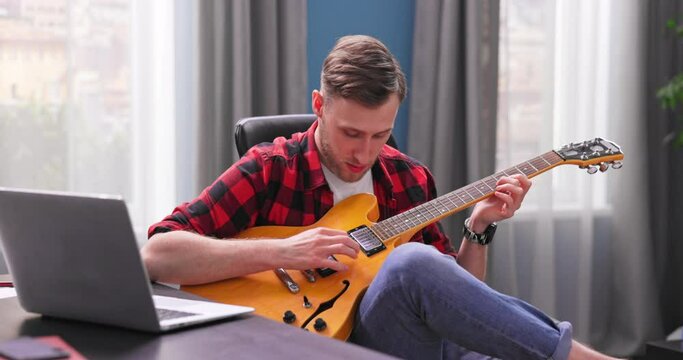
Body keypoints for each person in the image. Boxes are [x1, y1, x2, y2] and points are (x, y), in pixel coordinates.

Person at [142, 35, 619, 360]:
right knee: (414, 265)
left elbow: (457, 299)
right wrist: (285, 250)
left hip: (386, 339)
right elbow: (158, 254)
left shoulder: (406, 177)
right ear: (319, 106)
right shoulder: (272, 166)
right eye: (351, 133)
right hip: (298, 340)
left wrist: (479, 228)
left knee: (426, 279)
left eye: (380, 134)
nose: (364, 152)